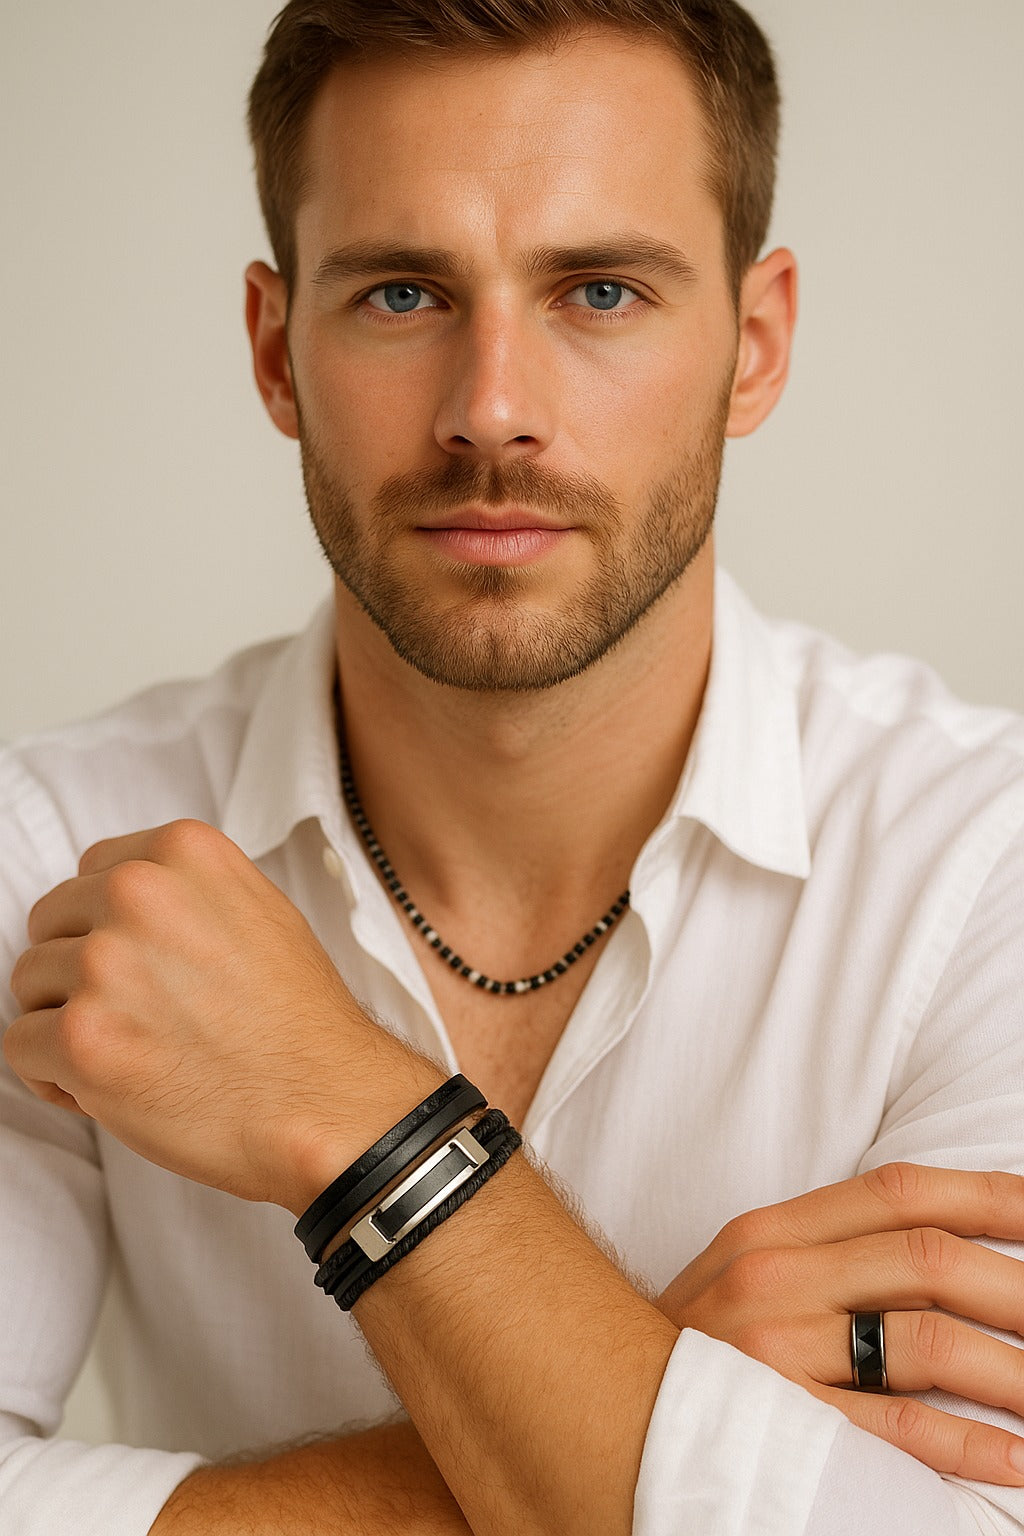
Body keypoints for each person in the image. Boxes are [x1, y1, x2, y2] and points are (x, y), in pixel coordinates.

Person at [2, 1, 1023, 1532]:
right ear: (277, 353)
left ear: (756, 346)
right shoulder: (47, 852)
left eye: (598, 290)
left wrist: (346, 1110)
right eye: (404, 293)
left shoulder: (985, 868)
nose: (491, 410)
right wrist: (671, 1389)